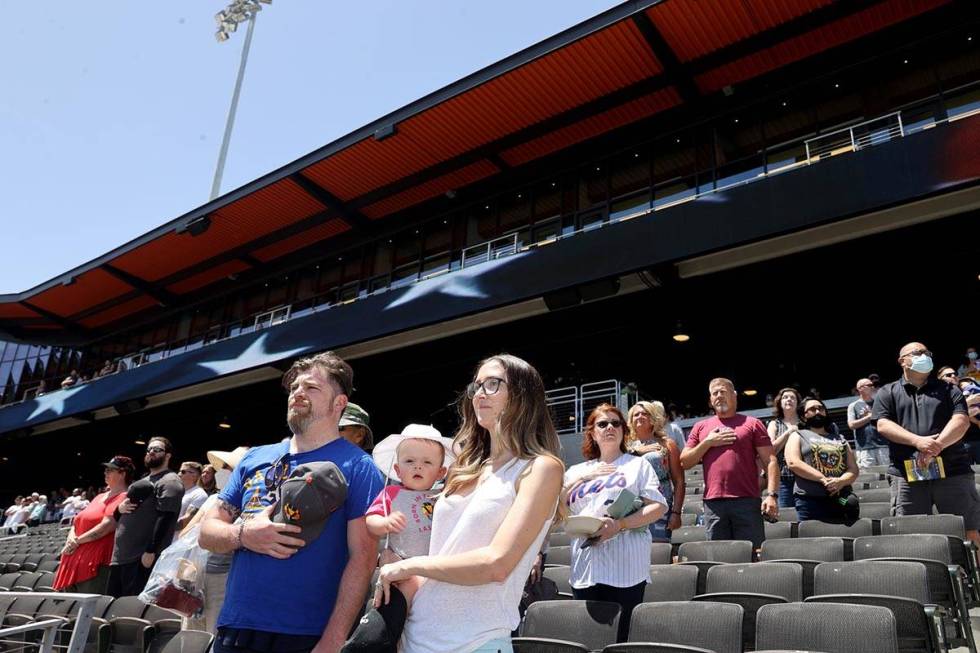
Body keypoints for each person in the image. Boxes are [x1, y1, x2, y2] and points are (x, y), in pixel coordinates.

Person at [199, 351, 384, 653]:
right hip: (236, 626)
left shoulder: (359, 467)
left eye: (312, 388)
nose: (298, 392)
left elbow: (362, 560)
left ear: (339, 404)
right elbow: (207, 531)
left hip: (306, 634)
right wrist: (243, 535)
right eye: (295, 387)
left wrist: (335, 639)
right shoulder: (253, 457)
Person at [379, 354, 564, 653]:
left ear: (523, 394)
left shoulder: (541, 468)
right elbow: (439, 550)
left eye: (493, 384)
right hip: (415, 635)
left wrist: (411, 566)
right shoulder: (465, 467)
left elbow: (496, 564)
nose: (479, 394)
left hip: (475, 641)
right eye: (476, 386)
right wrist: (394, 560)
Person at [343, 425, 455, 652]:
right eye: (410, 461)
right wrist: (384, 523)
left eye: (427, 463)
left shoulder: (443, 497)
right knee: (395, 625)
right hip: (400, 571)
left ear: (441, 473)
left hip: (434, 574)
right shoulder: (391, 493)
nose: (418, 466)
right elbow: (371, 521)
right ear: (397, 469)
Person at [565, 404, 667, 642]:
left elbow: (658, 506)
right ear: (592, 432)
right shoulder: (575, 471)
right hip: (585, 567)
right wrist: (581, 479)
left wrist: (619, 525)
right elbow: (557, 510)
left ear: (623, 430)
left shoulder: (637, 465)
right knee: (589, 639)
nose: (610, 427)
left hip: (626, 567)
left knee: (621, 639)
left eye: (616, 423)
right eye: (602, 423)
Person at [873, 342, 977, 543]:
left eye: (927, 352)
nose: (925, 356)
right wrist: (918, 442)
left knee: (969, 531)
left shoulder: (948, 389)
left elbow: (961, 421)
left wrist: (934, 447)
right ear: (903, 361)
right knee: (910, 535)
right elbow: (883, 425)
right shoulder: (887, 392)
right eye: (918, 353)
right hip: (907, 475)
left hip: (953, 471)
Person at [681, 378, 779, 547]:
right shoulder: (700, 427)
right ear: (710, 400)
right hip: (713, 504)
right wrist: (708, 442)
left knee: (752, 555)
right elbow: (684, 462)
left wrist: (772, 495)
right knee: (718, 558)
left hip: (747, 501)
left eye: (723, 391)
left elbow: (770, 461)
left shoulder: (753, 424)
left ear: (734, 396)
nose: (719, 396)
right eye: (715, 393)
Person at [180, 446, 250, 634]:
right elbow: (185, 533)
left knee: (211, 636)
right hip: (195, 577)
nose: (222, 472)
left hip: (223, 580)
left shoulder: (250, 504)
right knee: (192, 638)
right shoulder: (214, 499)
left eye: (227, 467)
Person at [106, 436, 184, 598]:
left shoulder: (170, 481)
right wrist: (119, 509)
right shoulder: (144, 480)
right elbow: (119, 514)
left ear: (168, 456)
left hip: (140, 558)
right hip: (120, 557)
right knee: (113, 608)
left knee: (131, 611)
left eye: (157, 450)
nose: (151, 452)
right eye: (149, 450)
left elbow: (166, 517)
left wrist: (151, 551)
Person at [54, 456, 134, 592]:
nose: (105, 473)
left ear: (123, 474)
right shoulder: (98, 497)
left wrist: (76, 542)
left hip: (94, 563)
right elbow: (77, 522)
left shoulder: (124, 496)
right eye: (106, 470)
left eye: (110, 470)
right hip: (74, 559)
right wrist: (71, 539)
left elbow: (107, 526)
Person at [785, 398, 859, 523]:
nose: (818, 411)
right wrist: (823, 479)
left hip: (839, 499)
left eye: (821, 408)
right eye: (812, 409)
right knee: (811, 537)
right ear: (803, 416)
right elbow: (793, 462)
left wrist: (840, 481)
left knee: (850, 506)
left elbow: (853, 469)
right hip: (809, 499)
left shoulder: (840, 438)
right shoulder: (797, 435)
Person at [626, 401, 682, 542]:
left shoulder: (667, 444)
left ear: (653, 418)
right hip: (631, 508)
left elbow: (679, 481)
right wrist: (635, 451)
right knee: (633, 553)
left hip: (660, 506)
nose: (640, 416)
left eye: (644, 413)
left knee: (658, 552)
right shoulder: (624, 447)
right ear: (631, 420)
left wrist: (676, 512)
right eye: (636, 414)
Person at [766, 388, 802, 508]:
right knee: (787, 513)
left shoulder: (805, 423)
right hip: (783, 477)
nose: (789, 399)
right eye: (785, 397)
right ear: (780, 403)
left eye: (792, 397)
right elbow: (770, 450)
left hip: (805, 477)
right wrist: (788, 432)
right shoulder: (774, 424)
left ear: (797, 402)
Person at [847, 377, 889, 468]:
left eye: (873, 385)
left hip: (883, 445)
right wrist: (869, 417)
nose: (873, 387)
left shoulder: (879, 403)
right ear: (860, 389)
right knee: (868, 478)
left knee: (888, 474)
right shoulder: (853, 406)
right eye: (869, 385)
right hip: (865, 448)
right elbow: (851, 425)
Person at [175, 462, 209, 531]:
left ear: (194, 475)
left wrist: (163, 526)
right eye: (179, 471)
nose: (179, 474)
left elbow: (186, 520)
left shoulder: (200, 495)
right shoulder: (176, 491)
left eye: (183, 472)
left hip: (179, 540)